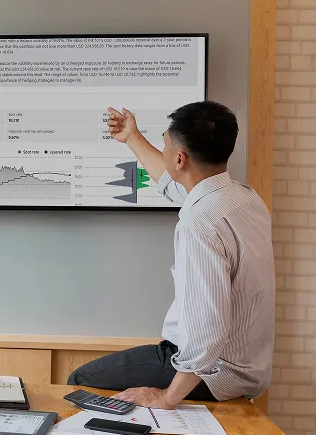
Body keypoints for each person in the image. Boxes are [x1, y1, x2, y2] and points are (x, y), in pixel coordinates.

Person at [68, 101, 275, 409]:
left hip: (212, 372)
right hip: (246, 369)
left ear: (180, 158)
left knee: (80, 381)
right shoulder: (243, 198)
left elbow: (207, 327)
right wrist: (132, 137)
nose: (163, 151)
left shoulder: (199, 223)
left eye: (165, 143)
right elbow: (172, 185)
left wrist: (167, 397)